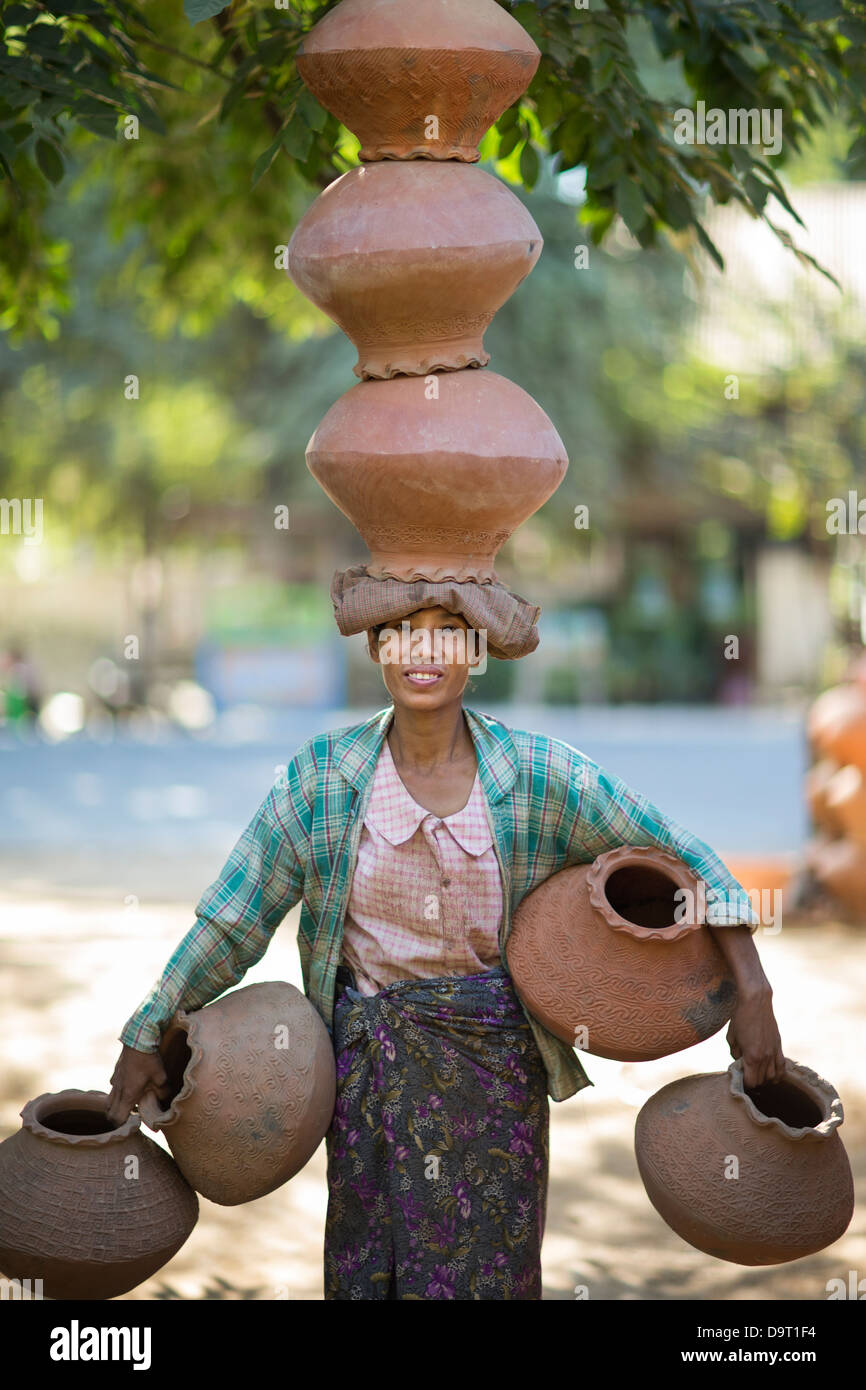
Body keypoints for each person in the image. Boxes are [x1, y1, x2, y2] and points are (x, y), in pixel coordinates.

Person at [107, 604, 784, 1301]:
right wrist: (148, 1027)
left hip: (495, 1081)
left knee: (488, 1274)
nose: (420, 650)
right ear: (375, 644)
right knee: (370, 1271)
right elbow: (233, 921)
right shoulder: (323, 778)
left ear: (477, 650)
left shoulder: (535, 774)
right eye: (401, 630)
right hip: (366, 1079)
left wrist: (754, 995)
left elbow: (688, 857)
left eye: (446, 632)